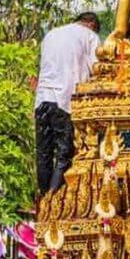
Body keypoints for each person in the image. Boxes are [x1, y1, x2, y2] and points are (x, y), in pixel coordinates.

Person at [33, 11, 101, 193]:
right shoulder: (90, 36)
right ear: (92, 25)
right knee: (64, 154)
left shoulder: (51, 34)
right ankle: (52, 198)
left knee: (43, 153)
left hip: (42, 100)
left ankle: (43, 198)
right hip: (65, 100)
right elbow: (97, 69)